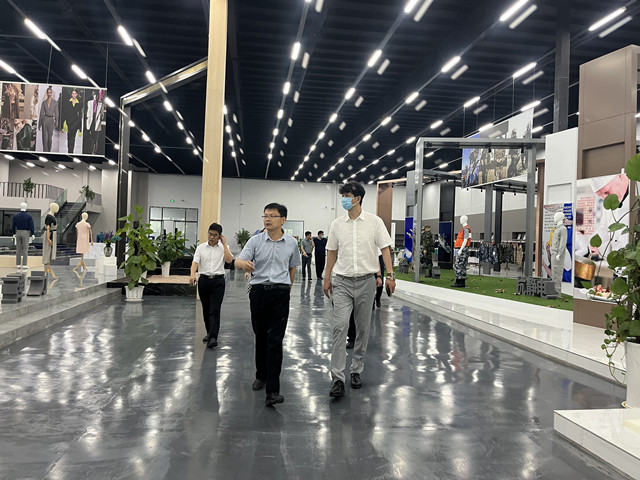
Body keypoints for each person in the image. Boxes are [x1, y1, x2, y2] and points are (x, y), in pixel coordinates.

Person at [323, 182, 395, 398]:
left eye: (347, 195)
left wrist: (390, 275)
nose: (344, 199)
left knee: (362, 328)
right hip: (342, 282)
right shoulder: (337, 224)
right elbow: (332, 252)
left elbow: (385, 249)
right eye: (343, 195)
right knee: (340, 327)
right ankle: (337, 378)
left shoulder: (374, 222)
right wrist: (326, 277)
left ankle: (356, 370)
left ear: (358, 198)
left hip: (366, 282)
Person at [235, 203, 301, 407]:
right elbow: (238, 261)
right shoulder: (255, 241)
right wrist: (243, 264)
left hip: (280, 293)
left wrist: (288, 288)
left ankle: (273, 390)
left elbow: (292, 267)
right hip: (258, 293)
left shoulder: (291, 243)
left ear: (283, 220)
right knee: (261, 336)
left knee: (275, 340)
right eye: (265, 215)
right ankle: (261, 375)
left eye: (272, 216)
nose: (268, 219)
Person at [189, 223, 233, 349]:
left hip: (218, 281)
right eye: (210, 234)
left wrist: (224, 244)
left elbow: (229, 260)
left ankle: (213, 337)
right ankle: (209, 332)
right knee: (206, 309)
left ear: (220, 236)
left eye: (215, 235)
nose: (212, 237)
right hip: (204, 281)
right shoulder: (201, 248)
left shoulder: (224, 248)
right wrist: (192, 275)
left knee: (215, 309)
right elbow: (195, 263)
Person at [12, 202, 35, 270]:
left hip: (18, 232)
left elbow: (13, 225)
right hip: (26, 232)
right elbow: (31, 226)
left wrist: (14, 233)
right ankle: (24, 264)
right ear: (26, 207)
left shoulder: (15, 216)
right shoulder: (29, 216)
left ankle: (18, 264)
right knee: (25, 249)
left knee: (18, 249)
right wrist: (32, 234)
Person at [61, 88, 82, 154]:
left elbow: (80, 115)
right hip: (69, 122)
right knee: (69, 137)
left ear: (77, 94)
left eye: (75, 93)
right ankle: (69, 151)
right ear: (71, 94)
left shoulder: (79, 103)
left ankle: (71, 151)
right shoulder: (67, 102)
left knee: (73, 138)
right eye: (73, 93)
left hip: (76, 123)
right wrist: (62, 125)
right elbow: (64, 113)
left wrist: (80, 128)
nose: (74, 95)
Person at [38, 86, 58, 152]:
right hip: (45, 120)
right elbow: (41, 113)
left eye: (50, 92)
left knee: (50, 139)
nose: (49, 94)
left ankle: (48, 151)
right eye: (48, 92)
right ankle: (45, 151)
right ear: (47, 93)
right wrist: (39, 124)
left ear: (52, 93)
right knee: (44, 138)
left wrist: (56, 122)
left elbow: (56, 113)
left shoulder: (55, 102)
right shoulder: (44, 103)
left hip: (51, 120)